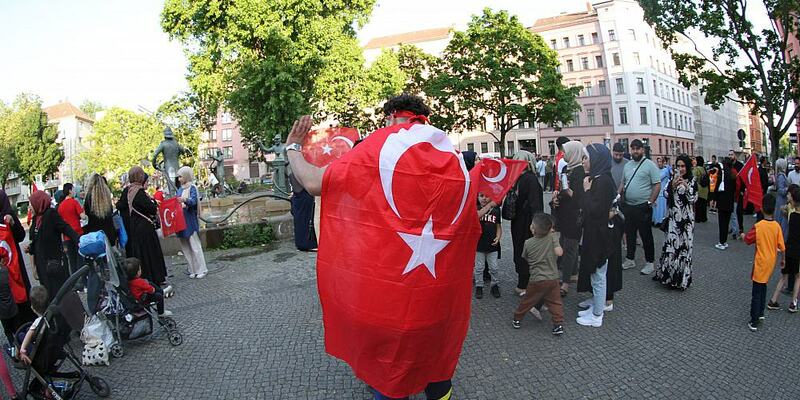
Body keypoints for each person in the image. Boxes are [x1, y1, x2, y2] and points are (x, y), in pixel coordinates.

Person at [285, 94, 478, 399]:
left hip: (388, 298)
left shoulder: (379, 146)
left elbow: (313, 183)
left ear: (390, 118)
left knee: (388, 373)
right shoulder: (450, 153)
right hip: (438, 297)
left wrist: (292, 149)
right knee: (436, 368)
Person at [576, 144, 616, 328]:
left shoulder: (602, 181)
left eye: (587, 158)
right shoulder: (599, 178)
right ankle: (596, 304)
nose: (584, 161)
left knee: (598, 274)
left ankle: (597, 315)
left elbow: (594, 210)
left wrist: (585, 191)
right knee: (596, 272)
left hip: (599, 235)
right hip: (596, 233)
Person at [116, 167, 171, 294]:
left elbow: (121, 205)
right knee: (150, 253)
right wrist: (153, 204)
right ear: (140, 177)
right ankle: (154, 278)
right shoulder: (139, 192)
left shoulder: (129, 190)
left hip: (134, 227)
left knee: (141, 253)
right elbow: (151, 208)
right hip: (144, 228)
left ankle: (144, 277)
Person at [512, 213, 564, 335]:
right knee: (555, 302)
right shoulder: (553, 237)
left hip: (537, 278)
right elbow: (559, 252)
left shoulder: (528, 243)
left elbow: (525, 256)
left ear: (533, 229)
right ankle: (558, 324)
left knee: (528, 300)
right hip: (553, 278)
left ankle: (517, 319)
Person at [27, 191, 80, 300]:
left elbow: (65, 228)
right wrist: (30, 249)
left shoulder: (51, 214)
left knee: (61, 294)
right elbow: (36, 239)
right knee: (48, 295)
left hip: (54, 263)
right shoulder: (35, 219)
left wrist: (79, 240)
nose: (30, 207)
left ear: (39, 202)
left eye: (31, 204)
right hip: (42, 265)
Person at [654, 155, 697, 290]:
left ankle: (681, 279)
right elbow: (666, 195)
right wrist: (672, 186)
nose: (680, 169)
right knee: (672, 247)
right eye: (678, 166)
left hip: (686, 221)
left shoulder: (692, 180)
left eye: (683, 166)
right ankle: (669, 277)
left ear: (688, 167)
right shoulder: (673, 179)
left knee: (684, 248)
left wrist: (686, 185)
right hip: (673, 219)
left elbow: (693, 199)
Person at [620, 139, 661, 275]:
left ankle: (650, 263)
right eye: (633, 149)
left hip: (643, 207)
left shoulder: (650, 165)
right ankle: (630, 259)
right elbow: (623, 183)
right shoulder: (627, 165)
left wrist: (650, 202)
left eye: (638, 149)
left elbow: (657, 184)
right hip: (629, 206)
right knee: (630, 234)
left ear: (643, 150)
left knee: (646, 235)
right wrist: (617, 196)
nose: (635, 151)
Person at [743, 193, 784, 331]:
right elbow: (782, 246)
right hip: (771, 262)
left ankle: (753, 320)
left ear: (761, 208)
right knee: (764, 286)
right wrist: (783, 259)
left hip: (760, 262)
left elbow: (748, 239)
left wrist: (742, 234)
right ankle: (760, 313)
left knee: (756, 292)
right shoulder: (777, 226)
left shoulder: (759, 226)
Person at [0, 189, 35, 345]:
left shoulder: (8, 216)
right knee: (5, 302)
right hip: (3, 272)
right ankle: (13, 338)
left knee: (20, 300)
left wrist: (13, 224)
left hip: (15, 267)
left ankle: (27, 334)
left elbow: (20, 236)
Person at [551, 141, 585, 297]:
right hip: (563, 214)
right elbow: (561, 189)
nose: (563, 154)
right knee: (564, 245)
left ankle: (565, 283)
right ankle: (571, 274)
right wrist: (557, 198)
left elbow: (580, 198)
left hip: (574, 216)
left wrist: (567, 191)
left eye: (566, 151)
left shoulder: (581, 171)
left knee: (570, 248)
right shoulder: (566, 168)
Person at [511, 150, 545, 295]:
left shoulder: (521, 179)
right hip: (524, 222)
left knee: (523, 251)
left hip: (523, 223)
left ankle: (525, 284)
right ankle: (525, 283)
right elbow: (535, 204)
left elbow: (534, 204)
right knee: (525, 251)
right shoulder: (528, 179)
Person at [767, 186, 800, 312]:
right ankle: (793, 303)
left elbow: (783, 209)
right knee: (798, 277)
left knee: (783, 276)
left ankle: (773, 300)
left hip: (789, 246)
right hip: (798, 249)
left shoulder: (791, 211)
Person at [176, 166, 208, 279]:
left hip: (190, 220)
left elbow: (194, 201)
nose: (179, 179)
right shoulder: (179, 189)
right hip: (181, 222)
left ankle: (202, 269)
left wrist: (185, 200)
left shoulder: (192, 187)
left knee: (195, 246)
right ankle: (192, 269)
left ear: (186, 176)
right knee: (186, 248)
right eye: (178, 177)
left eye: (180, 176)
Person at [56, 183, 86, 282]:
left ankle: (75, 281)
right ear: (69, 190)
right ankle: (83, 280)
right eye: (73, 189)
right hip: (78, 234)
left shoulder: (60, 206)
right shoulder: (74, 202)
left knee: (72, 261)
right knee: (80, 258)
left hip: (67, 237)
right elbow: (83, 217)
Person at [475, 193, 501, 299]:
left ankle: (494, 285)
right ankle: (479, 285)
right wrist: (489, 206)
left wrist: (498, 237)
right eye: (481, 196)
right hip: (479, 245)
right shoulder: (475, 208)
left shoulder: (496, 210)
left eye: (487, 195)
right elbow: (477, 215)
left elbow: (498, 226)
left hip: (492, 245)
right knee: (479, 268)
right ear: (477, 197)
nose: (484, 198)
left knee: (494, 267)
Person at [18, 286, 48, 366]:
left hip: (40, 351)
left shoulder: (38, 322)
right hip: (50, 344)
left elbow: (29, 334)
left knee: (21, 335)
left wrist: (23, 349)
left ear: (32, 308)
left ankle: (17, 353)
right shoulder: (51, 317)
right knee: (28, 328)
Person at [711, 159, 737, 250]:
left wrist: (714, 199)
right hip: (730, 202)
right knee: (726, 223)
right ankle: (724, 241)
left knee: (722, 223)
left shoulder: (722, 175)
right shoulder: (733, 175)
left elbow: (716, 187)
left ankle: (721, 242)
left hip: (722, 202)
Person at [289, 172, 318, 251]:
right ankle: (308, 243)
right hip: (305, 198)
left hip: (298, 198)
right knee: (307, 221)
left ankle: (301, 243)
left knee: (300, 222)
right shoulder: (304, 174)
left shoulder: (292, 174)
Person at [693, 156, 709, 223]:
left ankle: (698, 218)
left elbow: (693, 178)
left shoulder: (696, 169)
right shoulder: (704, 169)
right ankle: (704, 218)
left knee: (698, 205)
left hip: (699, 189)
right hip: (705, 189)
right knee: (703, 205)